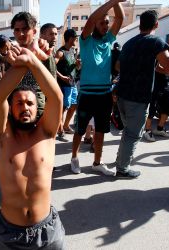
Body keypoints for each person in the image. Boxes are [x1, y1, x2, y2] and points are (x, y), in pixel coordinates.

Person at [0, 46, 65, 249]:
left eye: (30, 103)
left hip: (47, 231)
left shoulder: (47, 133)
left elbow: (56, 97)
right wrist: (19, 66)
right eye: (19, 103)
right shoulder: (1, 137)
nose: (25, 108)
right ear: (11, 109)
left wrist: (32, 62)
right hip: (7, 233)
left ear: (36, 107)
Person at [114, 10, 169, 178]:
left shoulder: (129, 43)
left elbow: (118, 66)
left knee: (128, 131)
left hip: (122, 94)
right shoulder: (156, 42)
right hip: (138, 96)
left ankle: (121, 161)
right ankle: (123, 168)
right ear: (156, 24)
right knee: (133, 133)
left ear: (140, 24)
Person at [70, 0, 125, 175]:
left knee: (101, 130)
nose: (105, 26)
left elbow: (121, 17)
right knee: (80, 129)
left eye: (107, 22)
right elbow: (92, 18)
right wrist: (113, 1)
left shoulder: (109, 39)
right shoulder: (85, 40)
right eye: (102, 23)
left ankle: (97, 162)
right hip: (87, 94)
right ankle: (74, 158)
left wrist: (116, 3)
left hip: (105, 94)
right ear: (95, 24)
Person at [11, 12, 53, 119]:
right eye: (17, 30)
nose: (20, 34)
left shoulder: (44, 53)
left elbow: (53, 87)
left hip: (39, 111)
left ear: (34, 31)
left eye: (25, 29)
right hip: (16, 113)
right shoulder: (12, 54)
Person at [55, 29, 80, 135]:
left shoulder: (72, 51)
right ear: (70, 38)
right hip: (64, 85)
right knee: (64, 107)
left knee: (74, 105)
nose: (76, 39)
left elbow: (73, 68)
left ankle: (66, 125)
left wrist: (77, 65)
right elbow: (51, 67)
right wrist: (62, 77)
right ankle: (59, 127)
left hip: (73, 84)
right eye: (75, 37)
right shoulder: (60, 52)